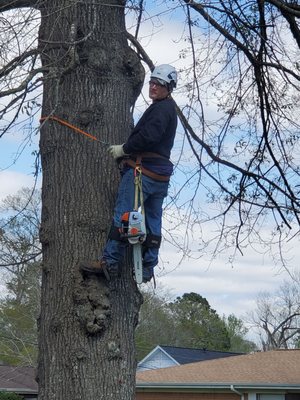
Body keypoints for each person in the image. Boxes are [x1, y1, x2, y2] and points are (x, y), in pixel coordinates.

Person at [80, 64, 178, 283]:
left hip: (143, 173)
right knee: (153, 221)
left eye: (159, 84)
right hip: (160, 177)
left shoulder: (161, 110)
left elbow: (149, 137)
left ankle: (110, 262)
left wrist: (124, 149)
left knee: (123, 215)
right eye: (152, 82)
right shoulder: (167, 109)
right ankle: (147, 267)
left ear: (169, 87)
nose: (153, 87)